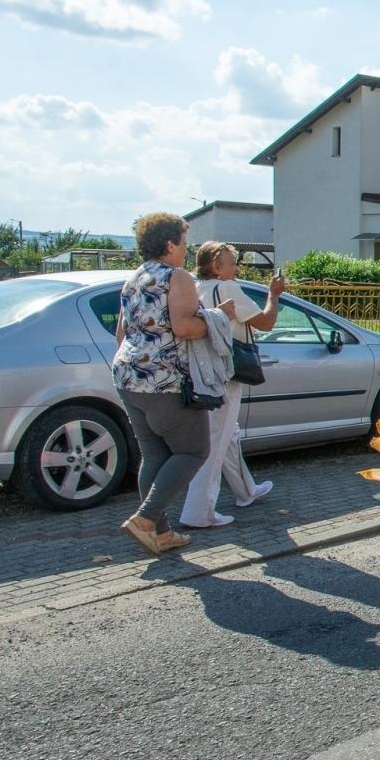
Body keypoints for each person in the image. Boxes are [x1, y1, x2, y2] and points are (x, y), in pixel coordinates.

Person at [112, 213, 233, 556]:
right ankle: (146, 520)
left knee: (154, 455)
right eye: (183, 241)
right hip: (165, 378)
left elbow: (122, 333)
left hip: (128, 374)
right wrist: (215, 318)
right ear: (169, 244)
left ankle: (161, 534)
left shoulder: (134, 278)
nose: (186, 248)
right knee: (193, 451)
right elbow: (184, 328)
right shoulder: (176, 277)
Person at [180, 243, 287, 528]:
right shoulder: (227, 289)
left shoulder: (196, 288)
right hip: (226, 372)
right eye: (231, 263)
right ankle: (198, 512)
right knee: (216, 440)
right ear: (216, 266)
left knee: (226, 434)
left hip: (204, 370)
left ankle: (246, 491)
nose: (236, 268)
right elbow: (265, 322)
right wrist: (273, 295)